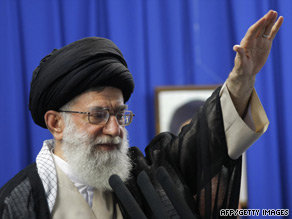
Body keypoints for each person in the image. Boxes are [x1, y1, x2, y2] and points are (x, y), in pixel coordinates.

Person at [0, 10, 283, 218]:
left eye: (120, 115)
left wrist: (240, 81)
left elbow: (202, 144)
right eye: (98, 115)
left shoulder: (145, 177)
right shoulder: (18, 202)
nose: (114, 129)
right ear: (55, 123)